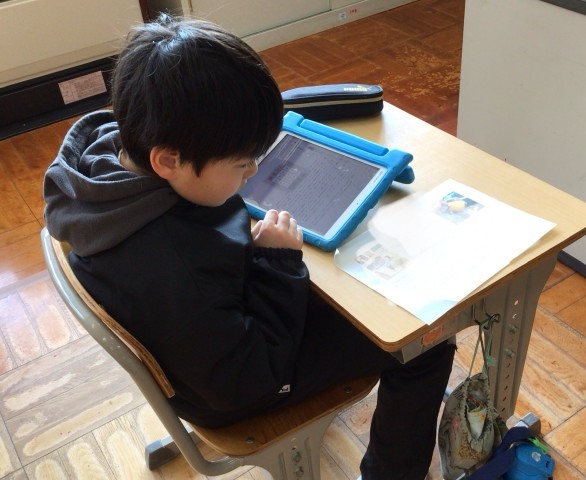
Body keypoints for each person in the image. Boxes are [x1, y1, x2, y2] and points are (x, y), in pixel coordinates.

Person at [43, 14, 455, 480]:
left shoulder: (106, 159)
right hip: (239, 384)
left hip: (208, 342)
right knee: (425, 337)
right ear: (168, 161)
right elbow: (251, 378)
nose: (253, 173)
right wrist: (277, 265)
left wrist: (260, 251)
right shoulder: (175, 267)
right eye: (241, 164)